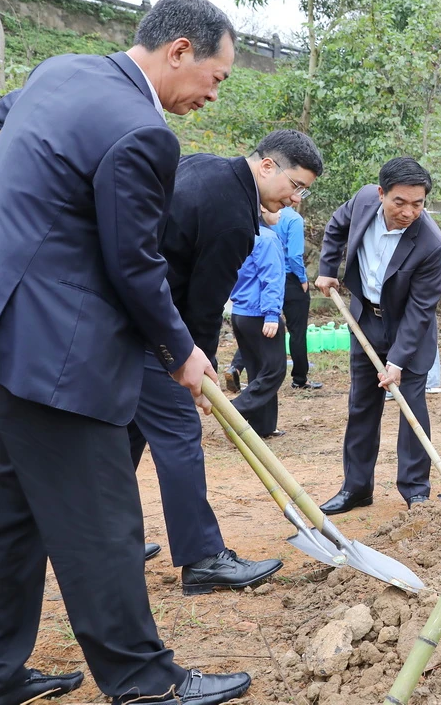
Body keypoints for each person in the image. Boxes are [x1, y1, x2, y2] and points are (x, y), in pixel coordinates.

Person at [0, 0, 252, 705]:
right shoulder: (144, 132)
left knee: (13, 517)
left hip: (7, 330)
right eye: (217, 77)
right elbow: (134, 262)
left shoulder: (59, 73)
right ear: (179, 51)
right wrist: (182, 350)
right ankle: (144, 682)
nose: (212, 92)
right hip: (59, 355)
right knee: (104, 523)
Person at [130, 128, 321, 596]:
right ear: (267, 166)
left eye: (304, 192)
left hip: (129, 320)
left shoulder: (206, 166)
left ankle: (114, 541)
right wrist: (195, 368)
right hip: (158, 331)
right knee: (179, 437)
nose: (296, 199)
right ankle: (202, 559)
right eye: (295, 185)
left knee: (126, 435)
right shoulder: (235, 220)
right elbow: (205, 302)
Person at [315, 158, 441, 514]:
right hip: (365, 321)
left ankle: (416, 491)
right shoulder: (361, 202)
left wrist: (397, 360)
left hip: (409, 330)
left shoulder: (431, 244)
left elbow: (421, 309)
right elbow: (337, 225)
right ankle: (357, 488)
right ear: (381, 194)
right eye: (399, 202)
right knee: (361, 406)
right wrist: (328, 269)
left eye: (418, 204)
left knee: (412, 410)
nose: (408, 212)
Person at [229, 209, 288, 437]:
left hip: (240, 313)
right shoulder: (268, 238)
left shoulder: (243, 235)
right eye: (278, 207)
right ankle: (234, 410)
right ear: (262, 209)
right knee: (274, 370)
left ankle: (262, 427)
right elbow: (271, 277)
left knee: (257, 370)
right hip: (260, 314)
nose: (282, 212)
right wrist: (272, 314)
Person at [275, 204, 322, 390]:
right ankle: (300, 378)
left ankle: (237, 366)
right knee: (297, 331)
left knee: (262, 324)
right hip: (290, 279)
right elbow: (295, 256)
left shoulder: (264, 214)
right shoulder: (293, 219)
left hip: (268, 276)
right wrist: (302, 278)